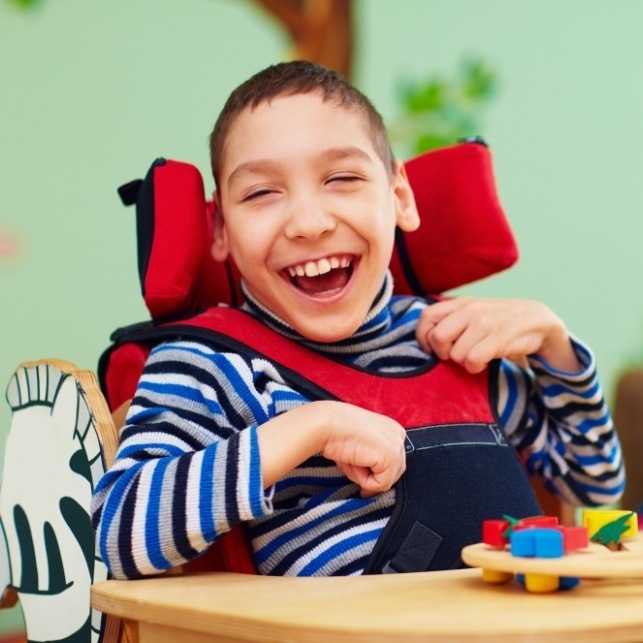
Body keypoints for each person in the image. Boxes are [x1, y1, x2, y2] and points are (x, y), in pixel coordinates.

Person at [91, 61, 623, 580]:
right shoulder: (211, 363)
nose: (309, 223)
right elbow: (112, 534)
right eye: (260, 193)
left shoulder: (454, 342)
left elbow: (594, 486)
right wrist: (307, 428)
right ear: (221, 231)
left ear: (399, 197)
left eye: (342, 178)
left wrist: (556, 346)